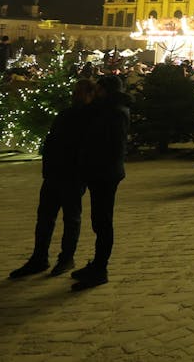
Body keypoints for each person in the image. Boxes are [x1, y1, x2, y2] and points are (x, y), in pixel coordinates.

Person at [9, 79, 94, 280]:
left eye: (82, 92)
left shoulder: (90, 117)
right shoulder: (66, 114)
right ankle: (39, 257)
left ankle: (66, 258)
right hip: (56, 173)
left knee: (70, 218)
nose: (77, 95)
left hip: (72, 174)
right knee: (45, 218)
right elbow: (52, 141)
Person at [72, 74, 130, 290]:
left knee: (103, 221)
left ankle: (100, 269)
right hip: (102, 171)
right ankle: (96, 264)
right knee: (99, 219)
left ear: (105, 90)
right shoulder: (108, 109)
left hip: (105, 173)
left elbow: (112, 145)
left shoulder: (115, 113)